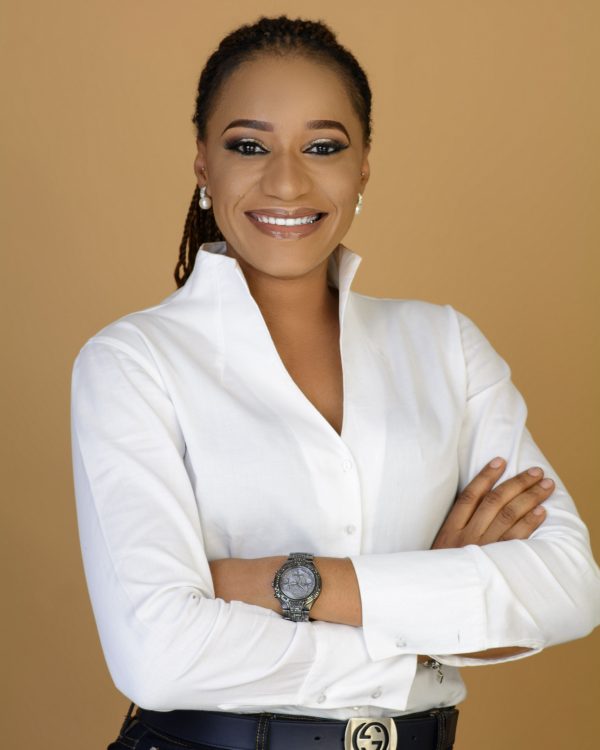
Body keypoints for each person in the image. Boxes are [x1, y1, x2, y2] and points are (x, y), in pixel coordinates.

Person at [70, 15, 600, 750]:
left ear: (363, 170)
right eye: (248, 145)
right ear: (203, 166)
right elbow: (160, 656)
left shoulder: (445, 345)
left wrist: (294, 584)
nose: (287, 181)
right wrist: (427, 624)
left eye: (323, 147)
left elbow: (569, 586)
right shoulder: (132, 363)